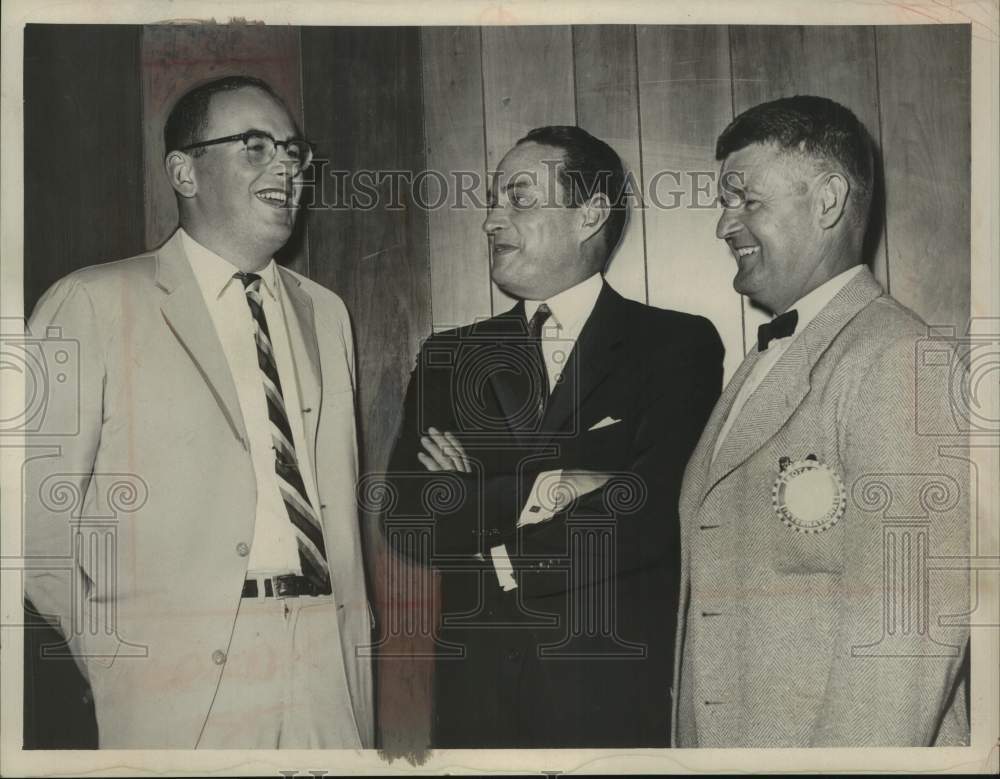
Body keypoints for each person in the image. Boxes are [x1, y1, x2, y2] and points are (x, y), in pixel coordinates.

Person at [24, 75, 373, 748]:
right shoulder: (94, 302)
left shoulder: (326, 313)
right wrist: (117, 657)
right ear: (184, 170)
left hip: (328, 673)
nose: (284, 167)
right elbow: (34, 524)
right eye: (254, 145)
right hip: (176, 683)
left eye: (293, 151)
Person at [382, 125, 723, 747]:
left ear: (589, 213)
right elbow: (409, 519)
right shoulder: (448, 356)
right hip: (474, 711)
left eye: (518, 198)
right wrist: (555, 485)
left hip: (612, 705)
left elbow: (651, 514)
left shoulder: (676, 346)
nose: (491, 221)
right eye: (491, 201)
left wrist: (477, 499)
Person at [673, 95, 969, 747]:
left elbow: (911, 629)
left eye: (746, 199)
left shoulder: (897, 359)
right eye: (726, 202)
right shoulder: (765, 362)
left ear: (828, 199)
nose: (725, 225)